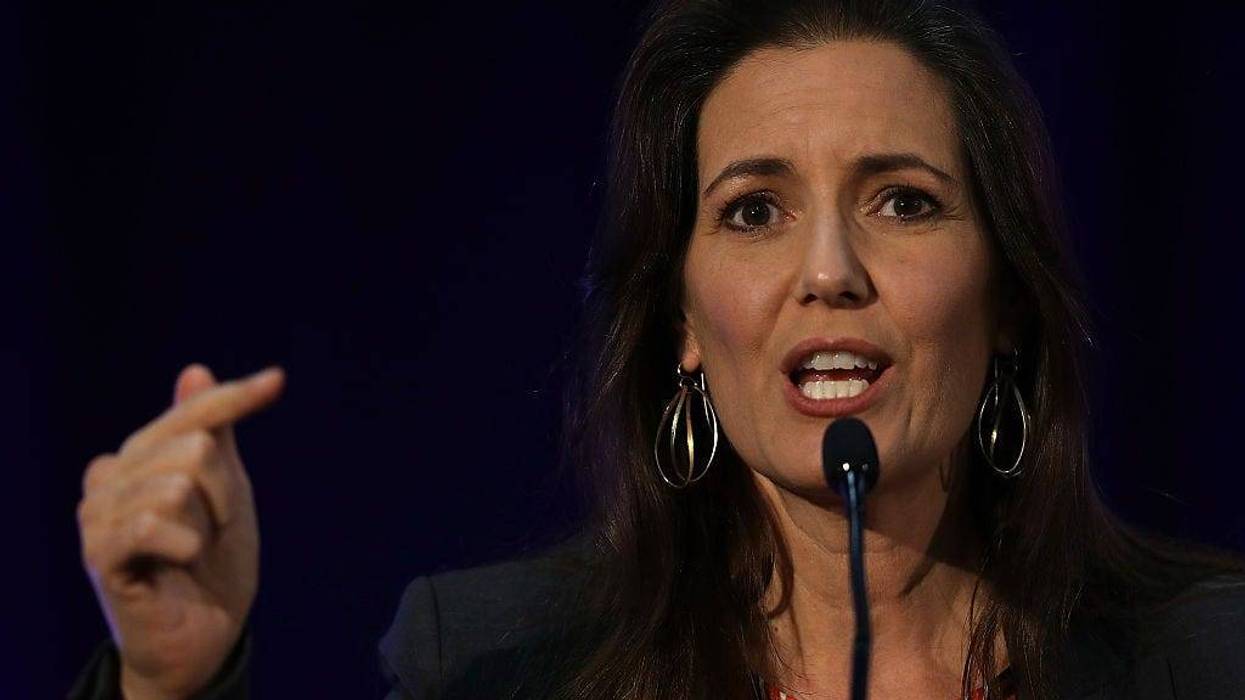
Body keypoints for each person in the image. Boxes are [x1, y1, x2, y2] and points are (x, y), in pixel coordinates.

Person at [69, 1, 1245, 698]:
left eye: (902, 200)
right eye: (752, 211)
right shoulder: (500, 666)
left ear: (1011, 305)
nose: (829, 269)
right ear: (683, 323)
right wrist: (168, 686)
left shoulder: (1206, 660)